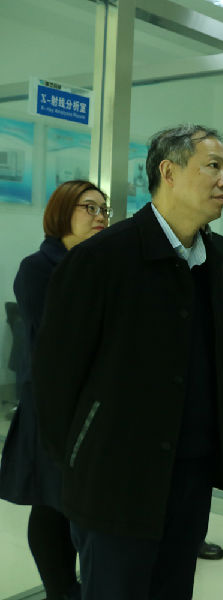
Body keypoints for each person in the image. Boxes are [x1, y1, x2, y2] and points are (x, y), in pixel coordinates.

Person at [31, 124, 223, 600]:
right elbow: (55, 380)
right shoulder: (102, 258)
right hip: (115, 478)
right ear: (169, 171)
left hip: (189, 472)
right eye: (213, 167)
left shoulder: (214, 254)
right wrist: (82, 459)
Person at [0, 180, 110, 600]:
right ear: (62, 212)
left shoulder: (96, 264)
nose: (100, 216)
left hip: (90, 404)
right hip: (51, 405)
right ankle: (60, 589)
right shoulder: (37, 267)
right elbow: (59, 339)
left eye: (104, 209)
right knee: (50, 502)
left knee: (74, 500)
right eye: (89, 207)